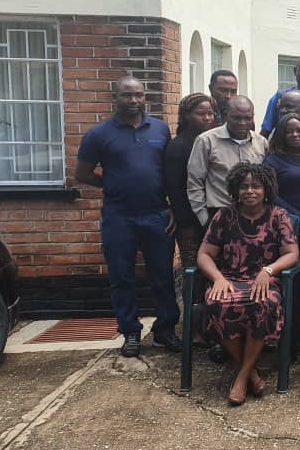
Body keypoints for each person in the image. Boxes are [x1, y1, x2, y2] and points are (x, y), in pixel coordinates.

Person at [76, 77, 179, 357]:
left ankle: (165, 331)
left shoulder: (160, 128)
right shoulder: (99, 134)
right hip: (118, 217)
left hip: (157, 214)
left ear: (145, 97)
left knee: (162, 276)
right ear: (116, 97)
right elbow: (82, 174)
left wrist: (171, 205)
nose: (133, 100)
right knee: (122, 277)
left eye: (138, 95)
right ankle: (130, 332)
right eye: (127, 95)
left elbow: (166, 172)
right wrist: (110, 184)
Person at [196, 163, 299, 405]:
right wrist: (218, 278)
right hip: (229, 279)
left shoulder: (278, 216)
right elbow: (204, 254)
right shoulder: (224, 216)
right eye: (244, 186)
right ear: (235, 189)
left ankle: (241, 377)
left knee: (262, 304)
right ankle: (250, 371)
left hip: (264, 281)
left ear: (266, 189)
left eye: (256, 186)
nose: (250, 191)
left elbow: (292, 253)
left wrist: (269, 270)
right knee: (216, 303)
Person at [264, 113, 300, 353]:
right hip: (288, 230)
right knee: (290, 283)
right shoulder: (273, 161)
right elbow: (272, 195)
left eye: (299, 131)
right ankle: (286, 336)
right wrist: (298, 217)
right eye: (290, 131)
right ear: (282, 134)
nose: (295, 135)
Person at [187, 96, 268, 228]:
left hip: (254, 215)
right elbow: (194, 184)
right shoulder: (206, 141)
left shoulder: (261, 143)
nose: (242, 123)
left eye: (247, 118)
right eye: (237, 118)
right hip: (219, 214)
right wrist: (205, 220)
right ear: (225, 115)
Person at [164, 93, 218, 272]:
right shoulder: (177, 146)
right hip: (190, 222)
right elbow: (175, 189)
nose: (207, 117)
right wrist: (185, 223)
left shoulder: (215, 141)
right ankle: (192, 300)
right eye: (201, 114)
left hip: (214, 216)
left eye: (210, 113)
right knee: (194, 268)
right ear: (186, 115)